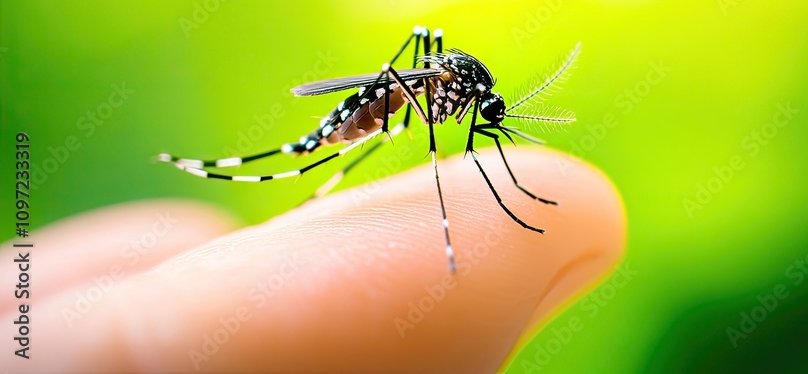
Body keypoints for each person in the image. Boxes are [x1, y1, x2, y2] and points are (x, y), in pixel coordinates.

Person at [4, 147, 625, 373]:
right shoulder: (450, 93)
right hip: (387, 95)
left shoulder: (468, 102)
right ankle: (284, 169)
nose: (488, 130)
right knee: (311, 155)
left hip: (399, 94)